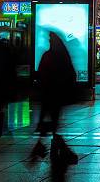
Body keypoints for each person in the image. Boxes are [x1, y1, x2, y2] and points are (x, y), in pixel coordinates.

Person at [32, 32, 78, 164]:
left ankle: (54, 145)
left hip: (49, 93)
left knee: (49, 120)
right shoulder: (64, 56)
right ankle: (57, 146)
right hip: (58, 94)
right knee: (54, 121)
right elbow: (71, 75)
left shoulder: (48, 56)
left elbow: (41, 74)